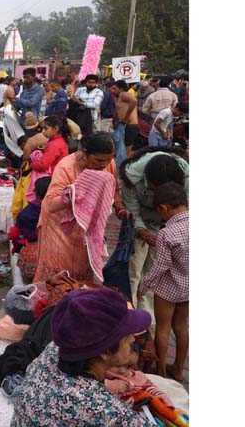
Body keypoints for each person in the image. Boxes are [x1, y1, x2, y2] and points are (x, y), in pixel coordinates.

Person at [12, 289, 153, 427]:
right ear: (104, 351)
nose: (132, 338)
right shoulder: (102, 410)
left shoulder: (54, 350)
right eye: (126, 334)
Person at [34, 133, 130, 284]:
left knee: (82, 278)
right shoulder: (66, 166)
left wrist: (119, 207)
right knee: (58, 279)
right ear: (85, 153)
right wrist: (76, 193)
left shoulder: (108, 163)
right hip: (58, 228)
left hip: (85, 231)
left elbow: (114, 190)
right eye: (98, 160)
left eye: (108, 160)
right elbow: (50, 204)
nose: (103, 165)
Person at [119, 147, 189, 318]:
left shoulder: (186, 176)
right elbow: (132, 208)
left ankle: (147, 315)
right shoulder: (131, 177)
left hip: (168, 226)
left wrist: (169, 231)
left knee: (154, 271)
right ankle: (131, 312)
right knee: (134, 270)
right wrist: (142, 231)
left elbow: (185, 209)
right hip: (140, 225)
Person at [138, 182, 188, 382]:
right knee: (182, 327)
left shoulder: (167, 233)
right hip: (189, 286)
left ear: (163, 208)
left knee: (163, 328)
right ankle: (178, 369)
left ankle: (162, 371)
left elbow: (160, 266)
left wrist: (144, 286)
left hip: (168, 288)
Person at [113, 80, 140, 156]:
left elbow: (134, 101)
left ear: (120, 88)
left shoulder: (123, 94)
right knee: (122, 150)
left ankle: (125, 166)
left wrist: (126, 117)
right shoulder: (122, 96)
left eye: (115, 88)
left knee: (125, 151)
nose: (113, 91)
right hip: (127, 125)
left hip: (130, 126)